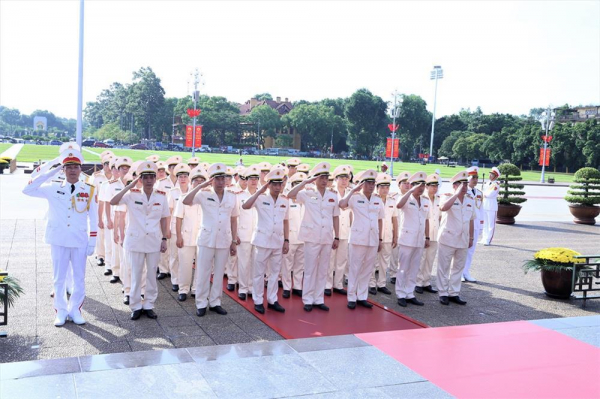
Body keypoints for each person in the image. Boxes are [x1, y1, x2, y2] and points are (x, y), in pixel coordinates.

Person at [23, 149, 98, 326]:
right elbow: (28, 189)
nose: (72, 170)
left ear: (81, 169)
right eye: (68, 167)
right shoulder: (53, 187)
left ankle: (75, 310)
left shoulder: (89, 189)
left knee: (79, 278)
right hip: (58, 239)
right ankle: (61, 312)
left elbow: (94, 217)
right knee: (59, 278)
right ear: (63, 170)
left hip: (79, 240)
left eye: (76, 167)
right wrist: (53, 169)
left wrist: (93, 240)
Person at [110, 162, 169, 320]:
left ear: (155, 179)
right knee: (135, 275)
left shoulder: (162, 196)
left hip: (153, 241)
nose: (149, 180)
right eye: (145, 177)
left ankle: (149, 304)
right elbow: (113, 201)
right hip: (135, 241)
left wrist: (164, 238)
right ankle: (135, 305)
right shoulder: (131, 195)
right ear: (140, 179)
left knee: (151, 275)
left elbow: (164, 218)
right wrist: (129, 186)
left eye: (151, 177)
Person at [182, 163, 238, 317]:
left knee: (219, 272)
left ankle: (215, 302)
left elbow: (234, 220)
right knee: (203, 272)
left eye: (223, 178)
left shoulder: (232, 196)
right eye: (217, 178)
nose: (221, 181)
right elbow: (186, 201)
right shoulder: (204, 193)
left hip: (224, 239)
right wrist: (200, 186)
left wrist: (234, 241)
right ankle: (201, 302)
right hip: (207, 238)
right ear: (212, 180)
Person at [287, 162, 339, 312]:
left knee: (323, 269)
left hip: (327, 236)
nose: (324, 180)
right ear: (315, 178)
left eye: (326, 177)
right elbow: (290, 195)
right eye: (321, 177)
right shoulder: (307, 193)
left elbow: (335, 216)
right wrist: (305, 182)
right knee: (309, 269)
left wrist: (337, 236)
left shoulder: (332, 196)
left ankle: (318, 298)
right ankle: (308, 299)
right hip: (311, 236)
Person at [242, 169, 289, 314]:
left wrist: (287, 240)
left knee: (275, 272)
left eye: (279, 184)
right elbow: (245, 206)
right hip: (262, 241)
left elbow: (286, 221)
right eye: (274, 184)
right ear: (268, 185)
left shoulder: (284, 201)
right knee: (259, 273)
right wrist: (259, 190)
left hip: (277, 241)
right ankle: (258, 300)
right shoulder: (261, 198)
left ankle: (272, 299)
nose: (277, 187)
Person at [339, 170, 384, 309]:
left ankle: (362, 296)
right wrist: (353, 190)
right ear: (362, 184)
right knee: (355, 268)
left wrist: (380, 239)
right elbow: (342, 204)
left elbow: (380, 219)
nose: (371, 186)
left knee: (368, 269)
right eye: (368, 183)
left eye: (373, 183)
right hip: (358, 238)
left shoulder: (377, 199)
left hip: (373, 238)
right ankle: (351, 296)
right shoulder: (355, 197)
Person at [436, 171, 475, 306]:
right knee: (444, 267)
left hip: (463, 239)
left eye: (465, 183)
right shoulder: (447, 197)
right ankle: (443, 293)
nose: (464, 186)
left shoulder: (470, 199)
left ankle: (454, 292)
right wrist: (456, 194)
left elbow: (471, 219)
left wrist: (471, 237)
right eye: (461, 184)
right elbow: (443, 208)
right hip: (448, 237)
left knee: (458, 267)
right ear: (454, 185)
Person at [395, 172, 430, 307]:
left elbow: (427, 220)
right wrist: (409, 190)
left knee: (415, 267)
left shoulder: (425, 201)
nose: (421, 188)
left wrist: (427, 237)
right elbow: (398, 205)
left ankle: (410, 293)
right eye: (418, 185)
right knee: (403, 267)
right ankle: (400, 293)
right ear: (412, 186)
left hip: (419, 239)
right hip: (407, 238)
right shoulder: (406, 198)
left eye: (423, 185)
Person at [174, 167, 206, 301]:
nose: (198, 183)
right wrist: (179, 236)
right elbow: (178, 218)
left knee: (201, 265)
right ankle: (183, 289)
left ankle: (196, 289)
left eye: (201, 181)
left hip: (203, 237)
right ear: (191, 183)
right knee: (185, 265)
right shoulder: (183, 198)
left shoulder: (209, 198)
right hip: (187, 236)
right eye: (196, 181)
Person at [103, 157, 133, 284]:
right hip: (116, 219)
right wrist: (108, 219)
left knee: (126, 251)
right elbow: (107, 202)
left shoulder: (134, 184)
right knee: (116, 247)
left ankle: (126, 275)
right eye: (122, 169)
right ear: (118, 171)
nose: (125, 171)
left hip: (129, 220)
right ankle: (116, 272)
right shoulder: (112, 185)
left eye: (127, 169)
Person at [233, 165, 259, 300]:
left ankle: (252, 287)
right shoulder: (239, 196)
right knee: (243, 263)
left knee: (256, 264)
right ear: (246, 180)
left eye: (256, 179)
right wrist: (235, 234)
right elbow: (235, 216)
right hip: (243, 234)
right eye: (251, 179)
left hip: (259, 235)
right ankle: (243, 288)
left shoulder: (262, 195)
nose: (254, 181)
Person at [326, 165, 352, 296]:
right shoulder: (330, 193)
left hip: (345, 231)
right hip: (331, 231)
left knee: (342, 259)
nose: (344, 181)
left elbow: (351, 214)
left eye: (346, 178)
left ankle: (338, 284)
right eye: (341, 178)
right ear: (336, 179)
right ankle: (327, 284)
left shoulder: (351, 194)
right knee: (330, 259)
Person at [166, 164, 192, 292]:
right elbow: (169, 212)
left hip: (190, 229)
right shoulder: (173, 192)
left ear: (189, 178)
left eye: (185, 176)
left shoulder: (192, 192)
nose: (183, 179)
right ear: (177, 178)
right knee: (175, 256)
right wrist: (167, 229)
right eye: (180, 177)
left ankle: (186, 282)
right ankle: (175, 280)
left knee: (187, 259)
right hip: (175, 228)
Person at [369, 173, 396, 295]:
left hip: (387, 235)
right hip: (374, 234)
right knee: (372, 260)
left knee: (384, 261)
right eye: (382, 187)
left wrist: (395, 236)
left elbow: (394, 219)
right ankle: (371, 283)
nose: (385, 190)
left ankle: (382, 284)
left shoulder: (392, 201)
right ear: (377, 188)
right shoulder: (373, 200)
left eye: (387, 187)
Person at [415, 173, 441, 294]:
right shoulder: (422, 199)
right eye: (432, 186)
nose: (435, 188)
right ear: (427, 187)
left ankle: (426, 281)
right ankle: (418, 282)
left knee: (430, 259)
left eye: (436, 186)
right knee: (421, 258)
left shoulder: (438, 199)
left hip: (435, 233)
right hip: (424, 234)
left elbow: (439, 217)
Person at [282, 172, 306, 298]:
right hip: (291, 237)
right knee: (287, 264)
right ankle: (286, 287)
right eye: (298, 185)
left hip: (303, 237)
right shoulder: (287, 200)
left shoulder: (307, 200)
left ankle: (297, 286)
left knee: (300, 264)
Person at [389, 171, 411, 284]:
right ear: (399, 185)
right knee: (395, 253)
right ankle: (393, 273)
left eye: (409, 183)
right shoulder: (393, 197)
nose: (407, 185)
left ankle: (403, 273)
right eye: (404, 183)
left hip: (408, 230)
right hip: (396, 228)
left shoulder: (413, 198)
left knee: (406, 256)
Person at [91, 154, 113, 267]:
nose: (109, 166)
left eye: (111, 164)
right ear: (102, 165)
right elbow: (93, 194)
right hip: (100, 208)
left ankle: (110, 257)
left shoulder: (116, 177)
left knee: (111, 235)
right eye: (106, 164)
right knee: (100, 233)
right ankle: (100, 256)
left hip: (112, 210)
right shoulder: (97, 177)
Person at [463, 166, 484, 282]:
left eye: (477, 177)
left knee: (471, 250)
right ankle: (459, 272)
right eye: (473, 177)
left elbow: (481, 210)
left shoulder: (479, 193)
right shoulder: (463, 192)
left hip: (475, 225)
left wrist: (481, 226)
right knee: (462, 250)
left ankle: (466, 271)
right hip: (466, 224)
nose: (475, 180)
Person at [481, 166, 500, 246]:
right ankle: (484, 238)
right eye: (490, 174)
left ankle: (488, 240)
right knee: (485, 223)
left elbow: (490, 194)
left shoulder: (496, 184)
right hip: (485, 205)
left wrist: (484, 194)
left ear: (495, 176)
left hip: (491, 205)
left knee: (491, 224)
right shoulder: (486, 183)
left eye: (492, 174)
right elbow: (482, 192)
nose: (490, 175)